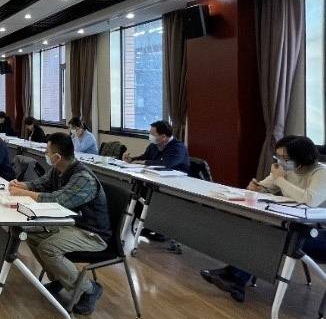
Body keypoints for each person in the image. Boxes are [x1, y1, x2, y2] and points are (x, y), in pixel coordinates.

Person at [201, 135, 326, 302]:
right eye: (278, 157)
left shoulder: (321, 173)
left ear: (301, 158)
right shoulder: (286, 169)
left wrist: (279, 179)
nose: (280, 162)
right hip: (294, 228)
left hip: (317, 234)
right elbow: (264, 186)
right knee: (262, 232)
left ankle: (233, 276)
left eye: (285, 158)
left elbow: (309, 200)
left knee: (270, 237)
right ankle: (233, 276)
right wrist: (256, 188)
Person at [8, 132, 110, 315]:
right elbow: (40, 184)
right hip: (71, 226)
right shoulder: (59, 169)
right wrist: (21, 185)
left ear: (57, 157)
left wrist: (24, 193)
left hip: (92, 234)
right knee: (29, 234)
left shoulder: (83, 178)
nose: (45, 154)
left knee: (48, 248)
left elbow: (59, 200)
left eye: (47, 152)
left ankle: (90, 289)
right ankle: (60, 279)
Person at [123, 120, 189, 173]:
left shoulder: (178, 147)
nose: (150, 136)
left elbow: (166, 163)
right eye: (150, 133)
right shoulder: (154, 144)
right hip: (157, 175)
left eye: (153, 134)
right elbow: (145, 157)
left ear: (163, 137)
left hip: (179, 179)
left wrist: (144, 162)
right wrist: (132, 159)